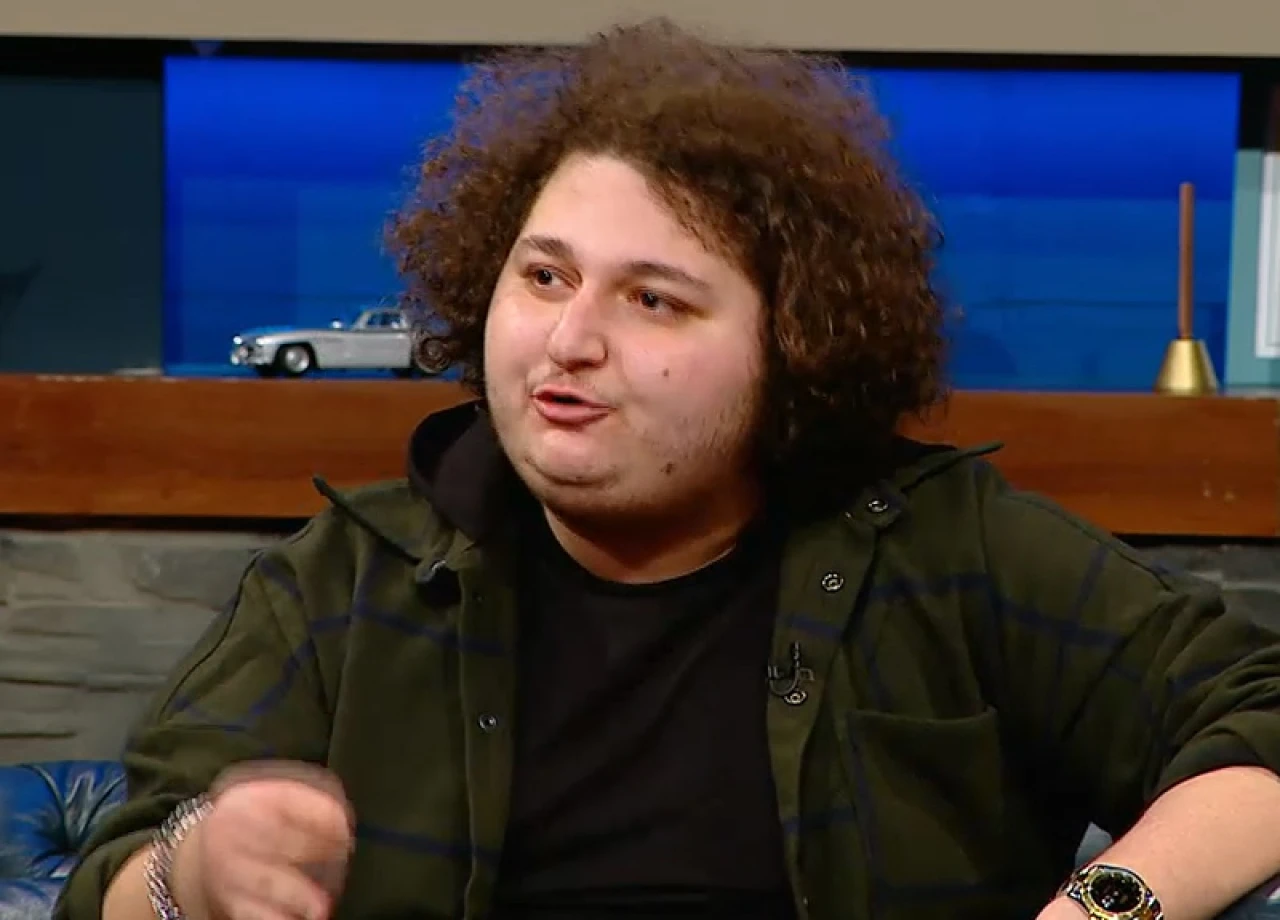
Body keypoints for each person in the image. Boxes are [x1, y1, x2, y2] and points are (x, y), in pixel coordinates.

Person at [58, 18, 1280, 920]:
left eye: (653, 299)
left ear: (791, 347)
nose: (568, 338)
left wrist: (1105, 902)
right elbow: (114, 875)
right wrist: (195, 872)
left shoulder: (951, 552)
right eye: (544, 276)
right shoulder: (340, 583)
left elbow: (1257, 711)